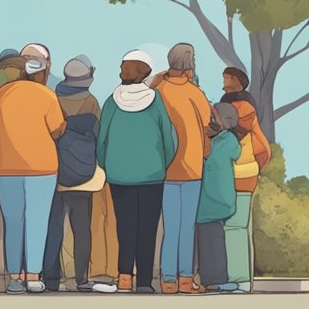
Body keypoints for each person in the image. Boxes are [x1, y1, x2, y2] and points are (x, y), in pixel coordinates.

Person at [0, 44, 66, 294]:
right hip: (41, 168)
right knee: (37, 221)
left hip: (5, 167)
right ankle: (33, 275)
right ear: (41, 72)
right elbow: (57, 129)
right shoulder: (47, 95)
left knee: (13, 221)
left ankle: (13, 278)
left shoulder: (3, 93)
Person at [97, 50, 177, 294]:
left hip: (120, 176)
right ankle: (143, 281)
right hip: (152, 175)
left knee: (125, 227)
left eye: (124, 66)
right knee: (147, 228)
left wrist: (108, 165)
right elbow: (170, 138)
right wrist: (161, 165)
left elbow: (102, 140)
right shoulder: (156, 101)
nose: (121, 70)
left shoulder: (112, 102)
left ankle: (123, 277)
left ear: (137, 70)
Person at [44, 55, 109, 293]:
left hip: (57, 171)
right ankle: (81, 278)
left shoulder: (52, 98)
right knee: (82, 230)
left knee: (54, 227)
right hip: (83, 175)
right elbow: (99, 137)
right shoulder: (91, 102)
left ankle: (51, 278)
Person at [152, 43, 211, 295]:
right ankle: (185, 279)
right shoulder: (194, 93)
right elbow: (208, 124)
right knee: (187, 226)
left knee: (170, 225)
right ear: (189, 63)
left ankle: (167, 279)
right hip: (191, 167)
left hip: (164, 168)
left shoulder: (158, 90)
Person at [218, 67, 269, 292]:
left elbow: (237, 130)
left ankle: (240, 279)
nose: (225, 80)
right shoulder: (227, 104)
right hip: (231, 174)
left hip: (242, 173)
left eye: (228, 77)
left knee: (236, 227)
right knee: (231, 226)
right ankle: (233, 277)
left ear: (238, 81)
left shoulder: (244, 106)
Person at [197, 103, 243, 293]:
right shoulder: (222, 140)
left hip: (213, 203)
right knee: (208, 241)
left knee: (211, 241)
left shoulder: (226, 141)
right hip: (209, 203)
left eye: (213, 118)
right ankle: (209, 278)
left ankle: (215, 278)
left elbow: (215, 157)